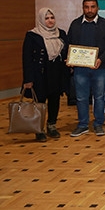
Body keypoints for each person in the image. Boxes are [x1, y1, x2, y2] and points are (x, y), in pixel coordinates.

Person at [67, 0, 105, 137]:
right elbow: (69, 43)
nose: (90, 10)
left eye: (92, 7)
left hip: (99, 68)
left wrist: (101, 58)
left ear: (97, 8)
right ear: (83, 8)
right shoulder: (75, 24)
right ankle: (82, 125)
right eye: (87, 7)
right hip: (80, 68)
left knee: (99, 97)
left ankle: (98, 124)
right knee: (81, 98)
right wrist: (69, 58)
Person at [22, 7, 69, 142]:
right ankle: (39, 129)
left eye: (52, 18)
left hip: (56, 72)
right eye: (46, 18)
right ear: (41, 20)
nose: (50, 21)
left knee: (55, 100)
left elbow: (67, 51)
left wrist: (69, 60)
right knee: (40, 102)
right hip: (39, 74)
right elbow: (27, 58)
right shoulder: (32, 35)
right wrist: (28, 79)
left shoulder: (61, 33)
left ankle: (51, 125)